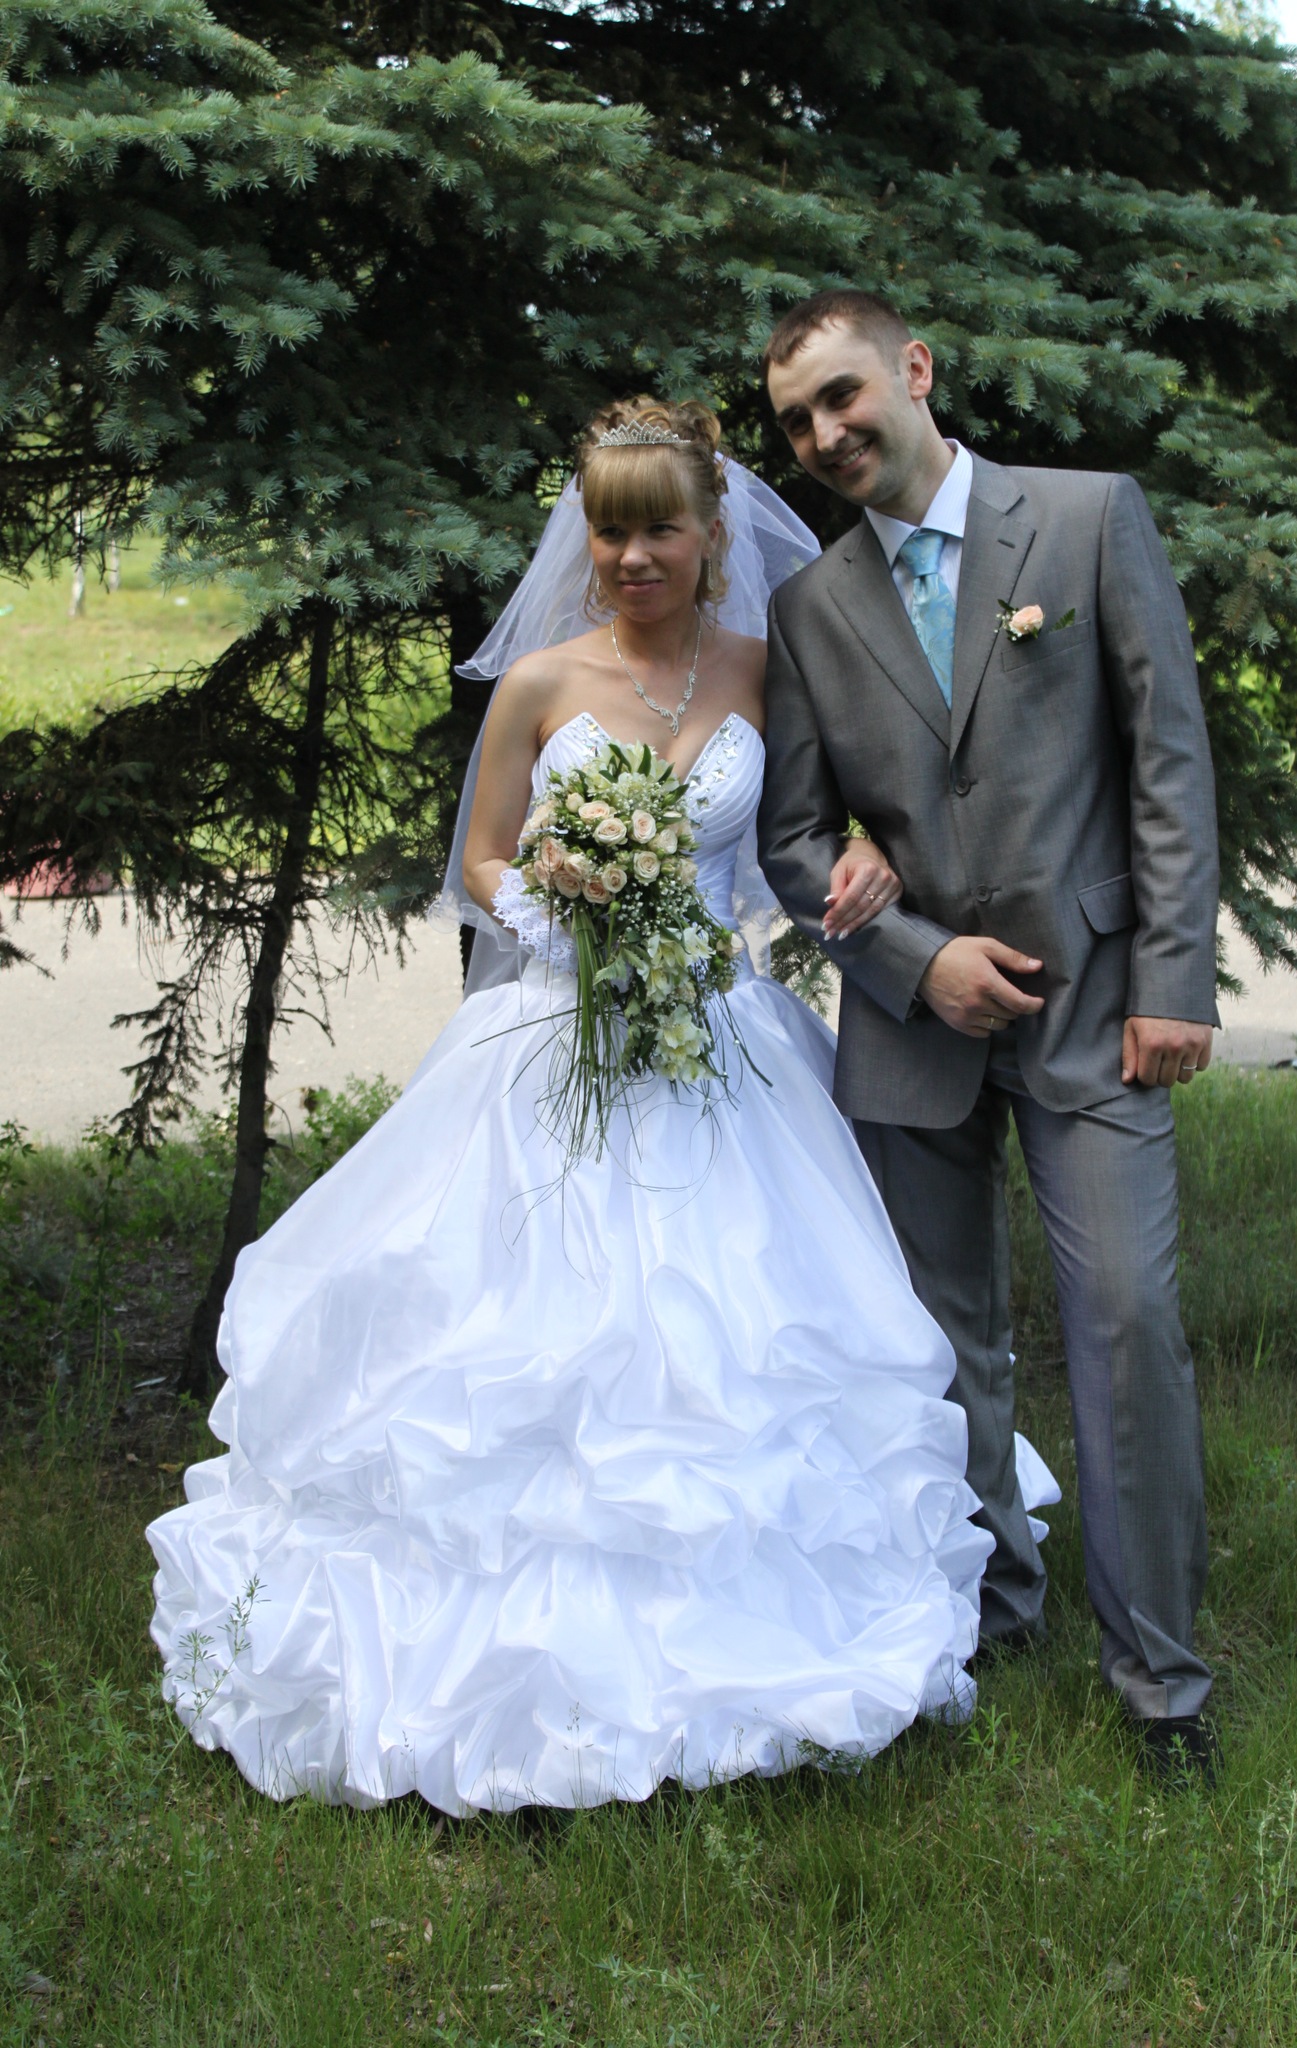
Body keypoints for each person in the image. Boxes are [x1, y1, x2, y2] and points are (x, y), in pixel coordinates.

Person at [147, 396, 1057, 1817]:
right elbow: (482, 858)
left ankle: (763, 1635)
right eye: (609, 530)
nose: (631, 557)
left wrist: (868, 852)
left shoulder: (771, 667)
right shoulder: (539, 682)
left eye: (658, 531)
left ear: (710, 536)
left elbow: (829, 814)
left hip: (724, 1039)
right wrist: (564, 900)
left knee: (747, 1337)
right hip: (553, 1030)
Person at [758, 291, 1220, 1778]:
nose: (825, 434)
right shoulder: (807, 608)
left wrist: (1174, 978)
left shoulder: (1086, 521)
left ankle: (1161, 1682)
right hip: (913, 1031)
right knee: (939, 1344)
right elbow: (790, 838)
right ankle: (988, 1605)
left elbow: (1165, 759)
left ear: (912, 371)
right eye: (796, 421)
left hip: (1098, 1007)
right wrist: (912, 956)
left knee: (1127, 1323)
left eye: (842, 396)